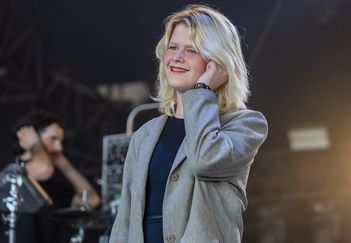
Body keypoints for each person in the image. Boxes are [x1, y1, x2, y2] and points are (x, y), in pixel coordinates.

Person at [110, 4, 268, 243]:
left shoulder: (245, 124)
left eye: (191, 50)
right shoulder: (145, 135)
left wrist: (202, 90)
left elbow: (205, 161)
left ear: (217, 62)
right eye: (172, 48)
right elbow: (124, 221)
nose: (176, 57)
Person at [0, 111, 101, 243]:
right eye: (53, 139)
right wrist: (36, 145)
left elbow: (92, 200)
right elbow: (44, 169)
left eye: (60, 141)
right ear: (33, 136)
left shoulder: (53, 184)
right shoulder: (7, 164)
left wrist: (63, 163)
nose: (59, 147)